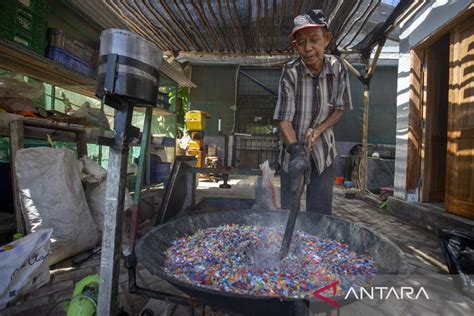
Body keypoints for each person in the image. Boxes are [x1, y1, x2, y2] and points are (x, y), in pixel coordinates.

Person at [273, 9, 352, 215]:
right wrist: (297, 152)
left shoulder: (338, 68)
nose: (308, 48)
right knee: (289, 213)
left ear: (326, 39)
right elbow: (283, 120)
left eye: (314, 39)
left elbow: (339, 108)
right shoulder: (290, 72)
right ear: (295, 46)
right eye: (301, 43)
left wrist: (318, 130)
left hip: (323, 153)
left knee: (319, 213)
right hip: (293, 154)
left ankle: (315, 246)